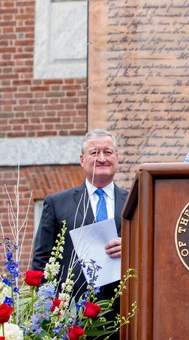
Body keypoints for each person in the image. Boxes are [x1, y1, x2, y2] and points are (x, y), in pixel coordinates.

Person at [32, 129, 127, 337]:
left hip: (126, 314)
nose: (102, 158)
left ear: (117, 159)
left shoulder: (135, 201)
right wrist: (47, 311)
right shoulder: (57, 204)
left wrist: (131, 246)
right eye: (94, 153)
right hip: (72, 318)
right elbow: (41, 262)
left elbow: (154, 253)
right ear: (82, 160)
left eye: (108, 152)